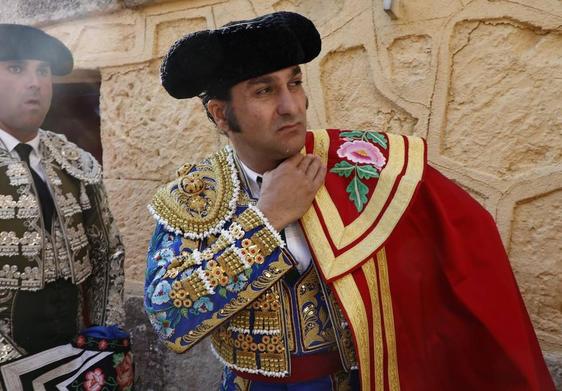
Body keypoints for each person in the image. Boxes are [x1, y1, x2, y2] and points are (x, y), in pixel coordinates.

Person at [144, 12, 555, 390]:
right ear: (220, 114)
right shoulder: (195, 196)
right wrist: (267, 219)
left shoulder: (360, 164)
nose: (291, 107)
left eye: (295, 82)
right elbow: (169, 318)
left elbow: (468, 240)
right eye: (264, 91)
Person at [0, 24, 126, 387]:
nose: (35, 82)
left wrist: (104, 341)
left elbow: (108, 253)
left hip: (75, 358)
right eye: (16, 68)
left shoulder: (74, 160)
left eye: (43, 71)